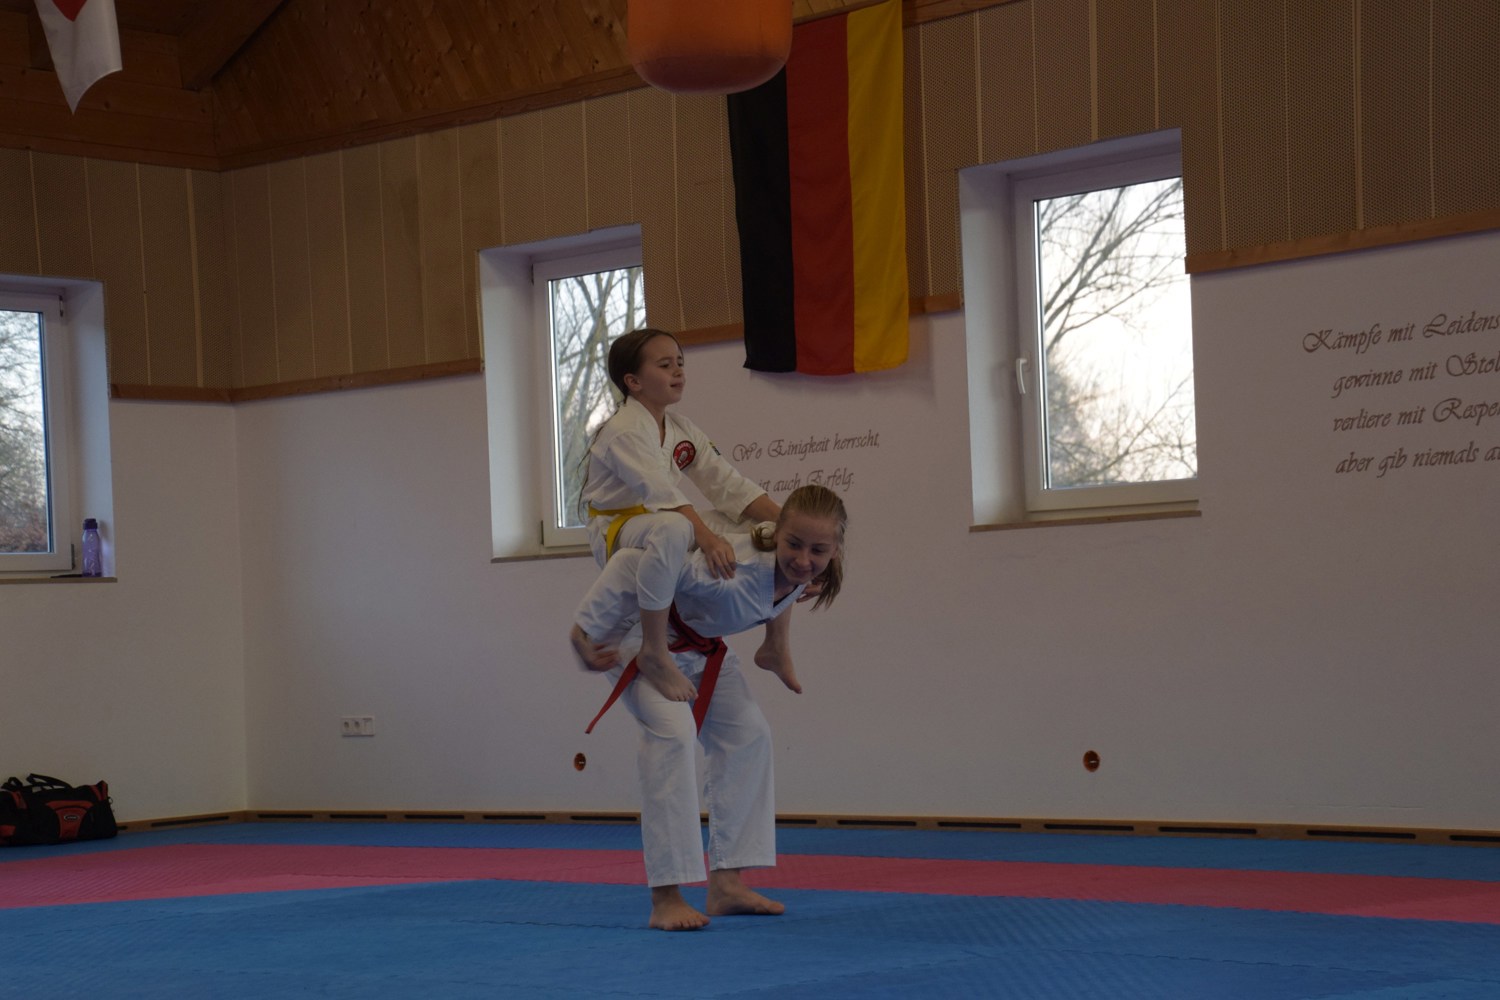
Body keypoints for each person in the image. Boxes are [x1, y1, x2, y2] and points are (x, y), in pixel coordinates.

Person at [569, 484, 847, 931]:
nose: (802, 559)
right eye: (794, 544)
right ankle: (666, 896)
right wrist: (584, 629)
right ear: (777, 533)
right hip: (635, 637)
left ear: (835, 550)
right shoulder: (730, 567)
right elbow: (630, 564)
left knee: (749, 735)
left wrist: (776, 643)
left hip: (699, 646)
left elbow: (781, 591)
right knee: (673, 736)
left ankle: (727, 884)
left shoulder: (804, 577)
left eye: (818, 550)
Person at [581, 327, 788, 705]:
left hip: (660, 522)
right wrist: (707, 539)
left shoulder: (681, 429)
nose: (678, 371)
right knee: (675, 526)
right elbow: (661, 493)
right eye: (664, 365)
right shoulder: (624, 430)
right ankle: (654, 648)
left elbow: (729, 486)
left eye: (679, 363)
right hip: (617, 528)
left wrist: (792, 529)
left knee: (771, 533)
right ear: (633, 381)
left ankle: (775, 643)